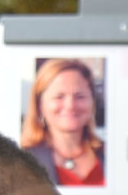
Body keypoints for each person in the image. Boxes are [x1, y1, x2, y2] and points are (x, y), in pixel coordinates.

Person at [21, 58, 105, 187]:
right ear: (40, 105)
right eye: (59, 97)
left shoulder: (112, 155)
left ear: (92, 103)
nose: (70, 105)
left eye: (80, 96)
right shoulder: (22, 162)